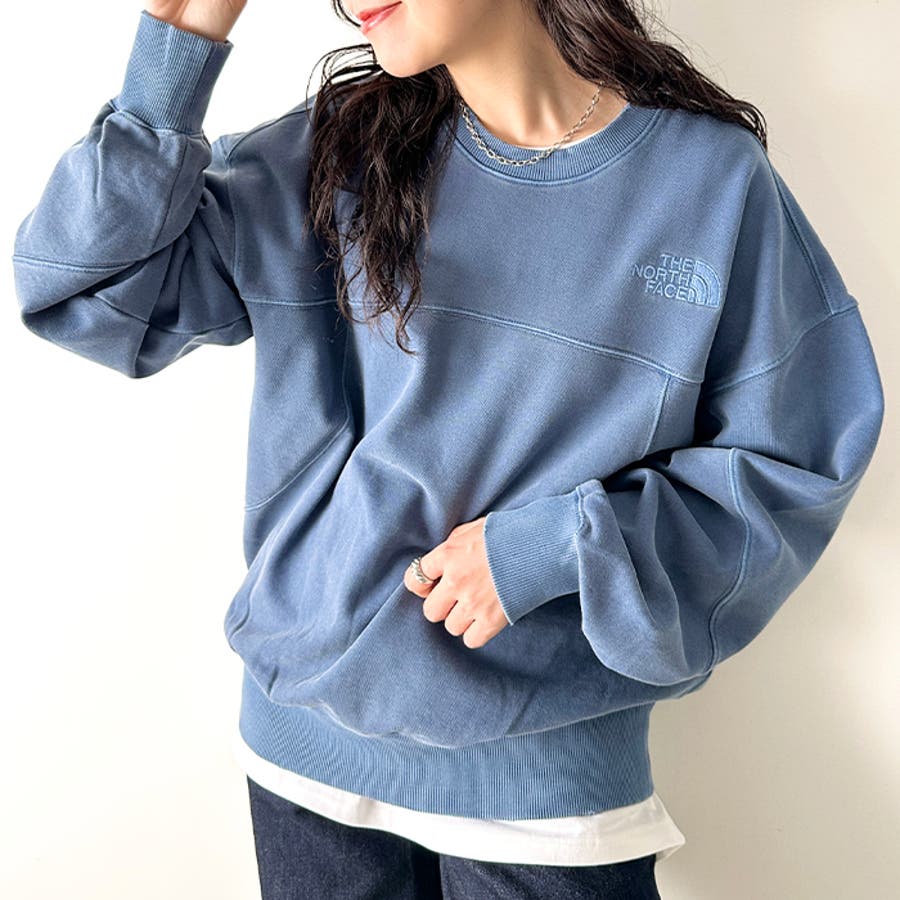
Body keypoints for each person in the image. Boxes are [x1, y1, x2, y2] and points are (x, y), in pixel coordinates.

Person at [11, 1, 885, 898]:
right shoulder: (334, 154)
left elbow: (795, 461)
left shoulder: (709, 184)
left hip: (544, 795)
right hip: (304, 767)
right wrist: (179, 42)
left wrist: (554, 548)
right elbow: (84, 291)